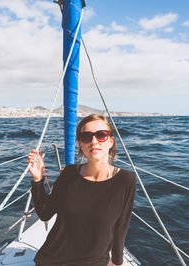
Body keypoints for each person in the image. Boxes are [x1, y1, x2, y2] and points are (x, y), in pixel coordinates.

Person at [28, 114, 136, 266]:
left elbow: (121, 226)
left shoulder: (125, 181)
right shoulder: (69, 174)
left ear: (111, 141)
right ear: (80, 144)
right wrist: (37, 180)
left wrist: (117, 262)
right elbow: (45, 213)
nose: (93, 141)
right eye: (86, 137)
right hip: (52, 260)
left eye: (101, 135)